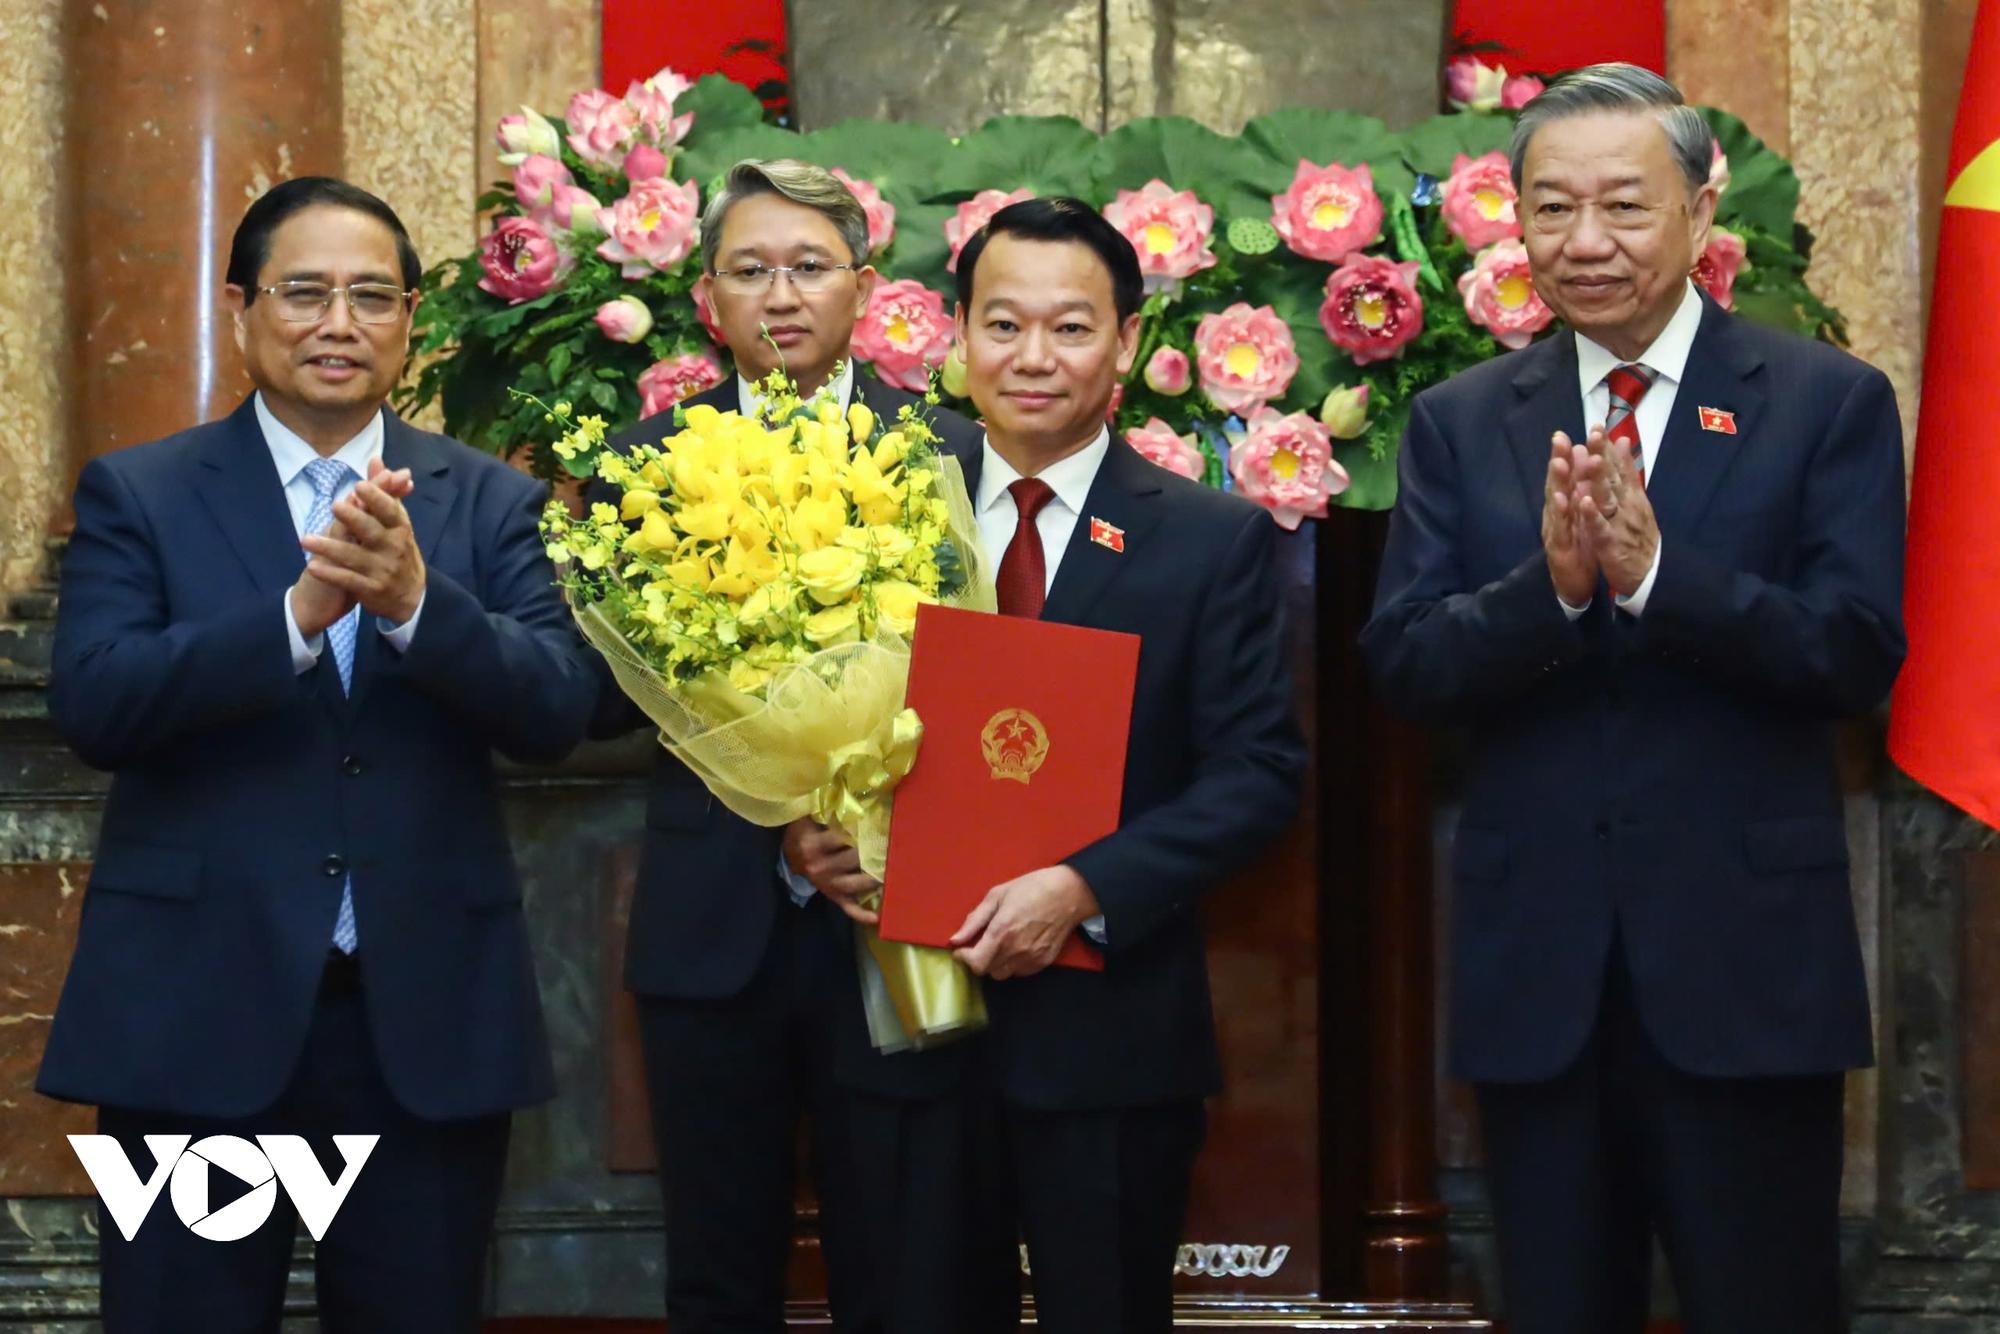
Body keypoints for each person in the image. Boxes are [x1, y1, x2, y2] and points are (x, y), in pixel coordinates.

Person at [1361, 64, 1905, 1334]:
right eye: (1550, 209)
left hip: (1744, 971)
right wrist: (1543, 596)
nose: (1584, 242)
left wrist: (1661, 579)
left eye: (1622, 204)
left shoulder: (1823, 401)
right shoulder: (1457, 421)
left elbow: (1854, 651)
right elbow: (1402, 662)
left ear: (1701, 212)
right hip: (1536, 976)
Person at [37, 177, 597, 1333]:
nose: (338, 322)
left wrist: (414, 606)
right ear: (241, 310)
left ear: (409, 325)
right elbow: (97, 701)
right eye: (304, 293)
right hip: (196, 1018)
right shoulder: (140, 491)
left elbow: (556, 706)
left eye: (371, 296)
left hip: (420, 1028)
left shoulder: (489, 503)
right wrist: (294, 617)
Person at [592, 159, 1011, 1334]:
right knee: (719, 1272)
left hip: (899, 911)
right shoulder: (643, 466)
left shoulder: (950, 454)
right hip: (713, 923)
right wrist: (784, 819)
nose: (781, 296)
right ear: (707, 302)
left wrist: (873, 818)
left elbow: (990, 691)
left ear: (865, 289)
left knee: (910, 1264)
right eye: (750, 270)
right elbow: (597, 698)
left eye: (809, 267)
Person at [934, 196, 1306, 1333]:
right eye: (1001, 325)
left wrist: (1082, 887)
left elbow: (1258, 772)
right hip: (905, 1027)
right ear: (955, 335)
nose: (1031, 358)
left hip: (1108, 1032)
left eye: (1069, 328)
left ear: (1128, 343)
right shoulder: (881, 508)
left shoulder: (1208, 538)